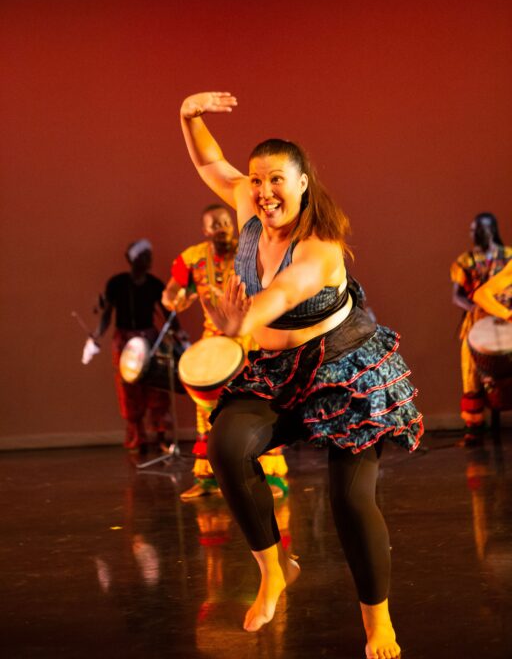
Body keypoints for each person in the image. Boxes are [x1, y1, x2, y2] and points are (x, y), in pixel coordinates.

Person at [177, 91, 423, 659]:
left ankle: (378, 622)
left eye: (277, 181)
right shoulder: (247, 204)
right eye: (258, 180)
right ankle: (274, 568)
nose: (263, 192)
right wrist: (188, 116)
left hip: (345, 366)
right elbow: (211, 163)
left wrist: (244, 320)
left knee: (351, 500)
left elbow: (284, 293)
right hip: (277, 370)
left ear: (304, 181)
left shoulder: (319, 246)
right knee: (227, 445)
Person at [162, 205, 289, 500]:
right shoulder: (192, 259)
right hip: (215, 342)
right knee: (206, 411)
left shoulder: (251, 252)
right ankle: (207, 480)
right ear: (205, 230)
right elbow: (170, 293)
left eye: (224, 222)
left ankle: (271, 475)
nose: (221, 228)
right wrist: (174, 298)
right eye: (214, 225)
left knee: (262, 404)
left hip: (253, 336)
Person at [82, 239, 186, 454]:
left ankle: (161, 437)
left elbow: (168, 315)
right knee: (128, 389)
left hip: (150, 338)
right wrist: (95, 337)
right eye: (144, 256)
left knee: (157, 387)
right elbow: (106, 314)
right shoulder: (117, 284)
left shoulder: (155, 284)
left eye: (149, 255)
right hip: (124, 341)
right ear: (132, 259)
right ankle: (138, 438)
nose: (149, 260)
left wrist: (180, 336)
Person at [450, 214, 512, 445]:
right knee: (470, 369)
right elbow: (457, 295)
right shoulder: (464, 261)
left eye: (479, 229)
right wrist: (473, 306)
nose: (475, 234)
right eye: (472, 229)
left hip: (507, 317)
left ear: (492, 230)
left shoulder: (509, 257)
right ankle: (474, 427)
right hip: (479, 320)